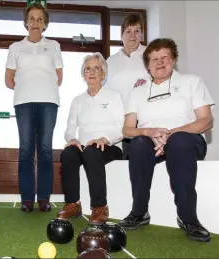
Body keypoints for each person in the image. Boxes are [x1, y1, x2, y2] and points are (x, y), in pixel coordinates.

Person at [119, 38, 214, 242]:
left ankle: (189, 218)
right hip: (151, 142)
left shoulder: (191, 81)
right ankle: (139, 212)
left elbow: (206, 120)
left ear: (174, 59)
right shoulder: (137, 92)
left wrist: (171, 135)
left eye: (165, 57)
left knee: (179, 141)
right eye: (154, 59)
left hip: (187, 140)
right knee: (137, 144)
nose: (159, 62)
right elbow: (127, 129)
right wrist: (150, 132)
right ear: (147, 65)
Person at [5, 3, 63, 212]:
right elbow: (8, 80)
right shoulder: (15, 48)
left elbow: (59, 77)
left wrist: (41, 85)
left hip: (48, 102)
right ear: (26, 22)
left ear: (45, 23)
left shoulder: (54, 46)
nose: (36, 23)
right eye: (32, 19)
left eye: (40, 19)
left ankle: (44, 199)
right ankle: (27, 199)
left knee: (46, 150)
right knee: (26, 150)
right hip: (23, 103)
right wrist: (28, 86)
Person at [57, 53, 124, 224]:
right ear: (83, 74)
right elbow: (69, 129)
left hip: (110, 146)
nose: (92, 72)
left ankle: (100, 206)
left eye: (97, 68)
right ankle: (73, 204)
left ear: (104, 73)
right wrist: (72, 139)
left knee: (92, 152)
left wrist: (105, 139)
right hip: (85, 147)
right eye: (88, 69)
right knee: (68, 154)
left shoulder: (114, 97)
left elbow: (121, 129)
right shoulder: (77, 101)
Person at [106, 14, 149, 159]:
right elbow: (105, 90)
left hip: (143, 117)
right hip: (118, 119)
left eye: (137, 31)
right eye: (128, 31)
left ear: (142, 35)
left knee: (141, 160)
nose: (133, 35)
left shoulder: (150, 55)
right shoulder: (111, 61)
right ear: (121, 35)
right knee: (122, 163)